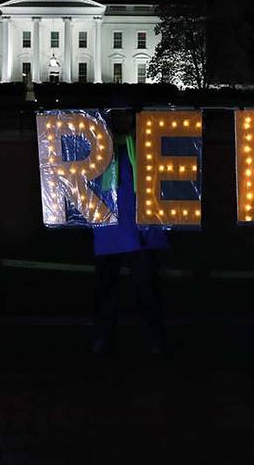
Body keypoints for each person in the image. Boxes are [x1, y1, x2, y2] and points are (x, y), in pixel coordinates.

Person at [90, 109, 168, 357]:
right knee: (109, 289)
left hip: (134, 229)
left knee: (145, 289)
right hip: (114, 229)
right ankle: (106, 337)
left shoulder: (143, 145)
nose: (121, 120)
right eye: (117, 115)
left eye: (125, 115)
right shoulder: (101, 148)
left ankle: (153, 338)